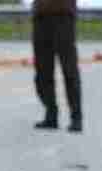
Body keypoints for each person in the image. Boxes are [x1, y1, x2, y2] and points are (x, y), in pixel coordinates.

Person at [32, 0, 83, 131]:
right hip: (41, 15)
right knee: (42, 70)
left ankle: (76, 118)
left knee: (69, 69)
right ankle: (51, 114)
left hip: (63, 15)